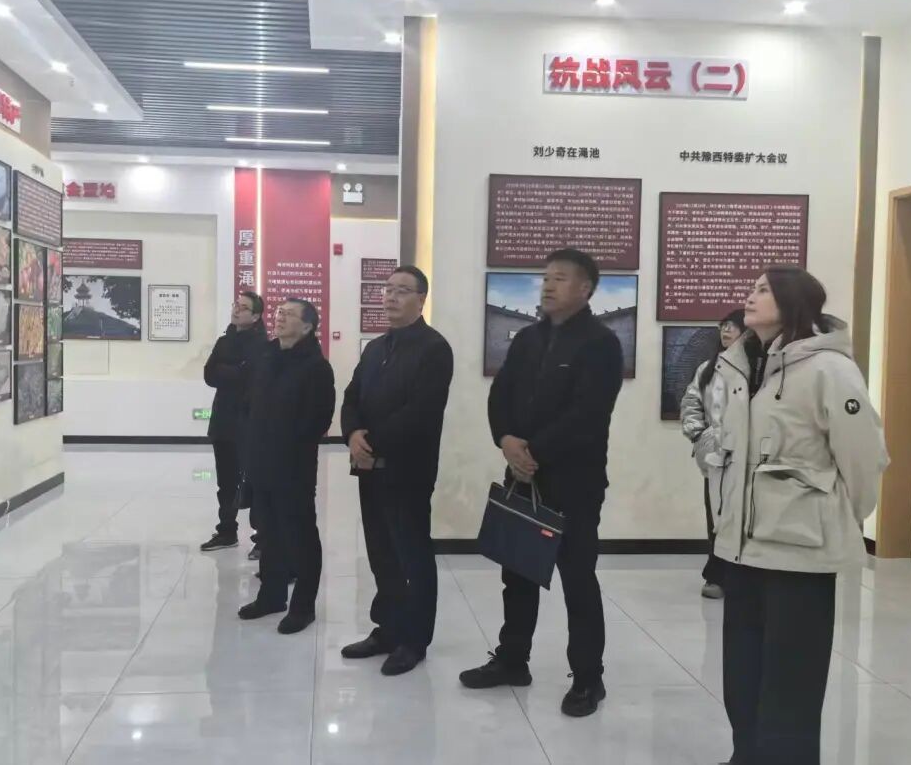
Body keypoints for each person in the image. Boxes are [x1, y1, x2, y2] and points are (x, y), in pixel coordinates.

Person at [713, 266, 888, 765]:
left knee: (792, 682)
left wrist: (839, 516)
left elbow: (864, 457)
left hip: (801, 551)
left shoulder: (829, 369)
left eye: (763, 290)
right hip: (742, 547)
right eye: (751, 288)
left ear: (793, 301)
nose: (750, 297)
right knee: (742, 673)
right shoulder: (740, 365)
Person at [459, 248, 623, 718]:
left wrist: (533, 453)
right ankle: (513, 660)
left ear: (586, 288)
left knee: (577, 579)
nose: (548, 285)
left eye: (560, 278)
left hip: (574, 480)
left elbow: (588, 415)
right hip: (521, 474)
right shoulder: (528, 338)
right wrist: (506, 440)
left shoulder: (601, 343)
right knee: (517, 572)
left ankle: (588, 678)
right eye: (545, 278)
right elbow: (500, 394)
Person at [340, 266, 454, 676]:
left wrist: (371, 443)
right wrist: (353, 433)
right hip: (369, 470)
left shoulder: (434, 348)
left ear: (421, 299)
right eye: (387, 289)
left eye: (402, 291)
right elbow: (351, 397)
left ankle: (414, 640)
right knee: (381, 553)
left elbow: (421, 412)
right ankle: (387, 629)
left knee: (412, 555)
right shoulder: (375, 348)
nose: (391, 297)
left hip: (408, 471)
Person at [237, 298, 335, 634]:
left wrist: (286, 443)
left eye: (289, 315)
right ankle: (271, 596)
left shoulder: (316, 367)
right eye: (279, 312)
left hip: (293, 466)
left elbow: (318, 419)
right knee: (269, 532)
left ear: (307, 326)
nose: (280, 318)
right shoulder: (266, 356)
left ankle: (303, 606)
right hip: (261, 462)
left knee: (300, 535)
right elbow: (250, 403)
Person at [680, 308, 747, 599]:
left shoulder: (758, 368)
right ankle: (717, 575)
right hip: (715, 456)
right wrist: (700, 436)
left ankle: (744, 579)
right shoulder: (709, 368)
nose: (726, 331)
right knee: (716, 517)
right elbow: (691, 403)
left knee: (745, 518)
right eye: (723, 326)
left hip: (749, 457)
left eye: (733, 326)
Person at [200, 291, 267, 552]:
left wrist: (227, 371)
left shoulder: (263, 345)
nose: (236, 310)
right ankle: (227, 531)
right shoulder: (223, 341)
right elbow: (209, 374)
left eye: (243, 307)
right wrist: (236, 370)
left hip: (250, 422)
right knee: (225, 482)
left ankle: (262, 538)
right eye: (236, 305)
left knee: (255, 481)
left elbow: (253, 378)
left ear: (256, 316)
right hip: (223, 421)